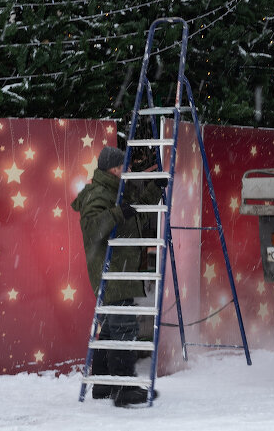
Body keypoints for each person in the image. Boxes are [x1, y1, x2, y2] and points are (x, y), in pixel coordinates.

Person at [72, 145, 164, 408]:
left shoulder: (116, 191)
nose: (127, 170)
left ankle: (103, 384)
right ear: (113, 168)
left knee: (112, 329)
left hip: (119, 270)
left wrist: (154, 188)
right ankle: (125, 387)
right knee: (124, 329)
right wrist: (116, 213)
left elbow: (135, 211)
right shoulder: (99, 194)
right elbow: (92, 229)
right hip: (111, 272)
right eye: (123, 166)